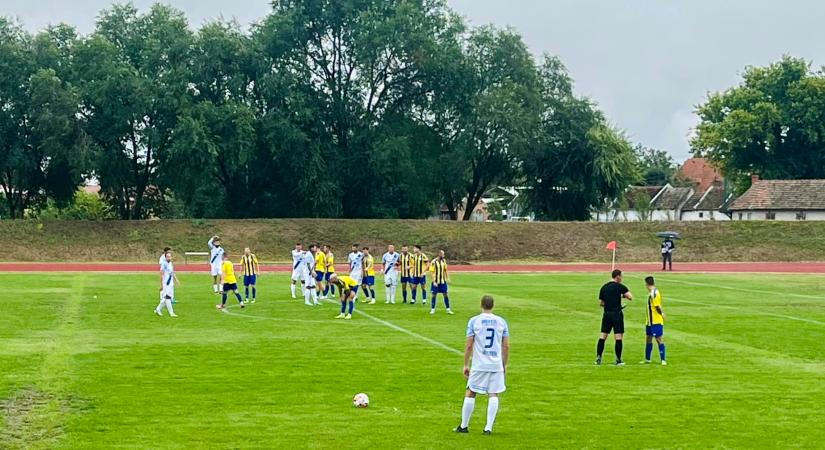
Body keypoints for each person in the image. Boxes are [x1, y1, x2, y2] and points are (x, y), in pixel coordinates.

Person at [455, 295, 509, 435]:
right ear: (493, 306)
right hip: (496, 364)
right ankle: (488, 428)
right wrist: (504, 365)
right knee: (493, 393)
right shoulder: (501, 322)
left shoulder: (474, 321)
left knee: (471, 392)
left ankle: (464, 426)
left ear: (481, 305)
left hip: (479, 364)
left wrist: (466, 364)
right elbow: (506, 346)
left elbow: (468, 345)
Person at [596, 269, 633, 366]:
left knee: (603, 336)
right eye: (621, 276)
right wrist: (622, 296)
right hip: (617, 314)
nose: (622, 278)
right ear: (618, 276)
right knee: (618, 337)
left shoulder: (604, 287)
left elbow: (601, 303)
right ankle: (618, 359)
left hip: (607, 314)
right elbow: (630, 297)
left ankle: (598, 358)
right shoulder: (620, 287)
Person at [641, 276, 667, 365]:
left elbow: (657, 306)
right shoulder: (652, 292)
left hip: (655, 321)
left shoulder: (654, 293)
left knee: (659, 339)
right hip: (649, 321)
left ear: (647, 284)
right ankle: (647, 359)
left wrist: (662, 314)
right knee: (648, 338)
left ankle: (663, 360)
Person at [429, 250, 454, 315]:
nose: (444, 255)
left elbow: (445, 270)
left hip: (443, 281)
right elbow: (431, 272)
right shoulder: (433, 262)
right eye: (443, 254)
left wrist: (448, 278)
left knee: (445, 294)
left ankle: (448, 309)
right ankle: (432, 309)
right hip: (436, 282)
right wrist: (434, 281)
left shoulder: (444, 261)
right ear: (439, 254)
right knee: (434, 295)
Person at [155, 251, 179, 317]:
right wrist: (161, 284)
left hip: (170, 283)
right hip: (166, 283)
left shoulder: (170, 263)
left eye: (170, 256)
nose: (169, 258)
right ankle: (171, 313)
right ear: (165, 257)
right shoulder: (164, 264)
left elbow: (172, 272)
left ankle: (158, 309)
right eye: (167, 256)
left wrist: (176, 279)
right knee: (167, 298)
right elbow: (161, 274)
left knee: (166, 298)